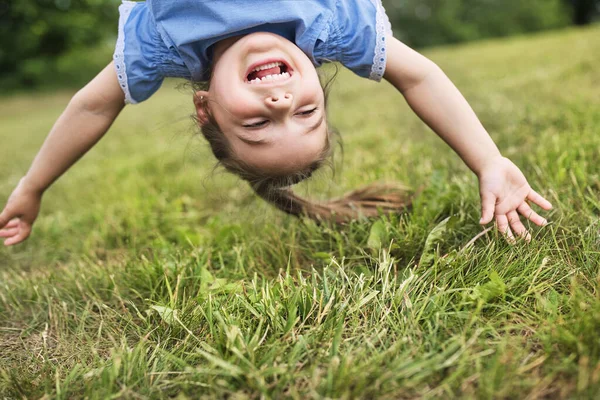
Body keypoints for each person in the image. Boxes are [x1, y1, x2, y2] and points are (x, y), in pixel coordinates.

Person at [0, 0, 552, 247]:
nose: (281, 100)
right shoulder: (337, 27)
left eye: (258, 126)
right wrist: (487, 159)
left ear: (205, 109)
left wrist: (32, 186)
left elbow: (93, 107)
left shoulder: (159, 43)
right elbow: (419, 79)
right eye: (307, 112)